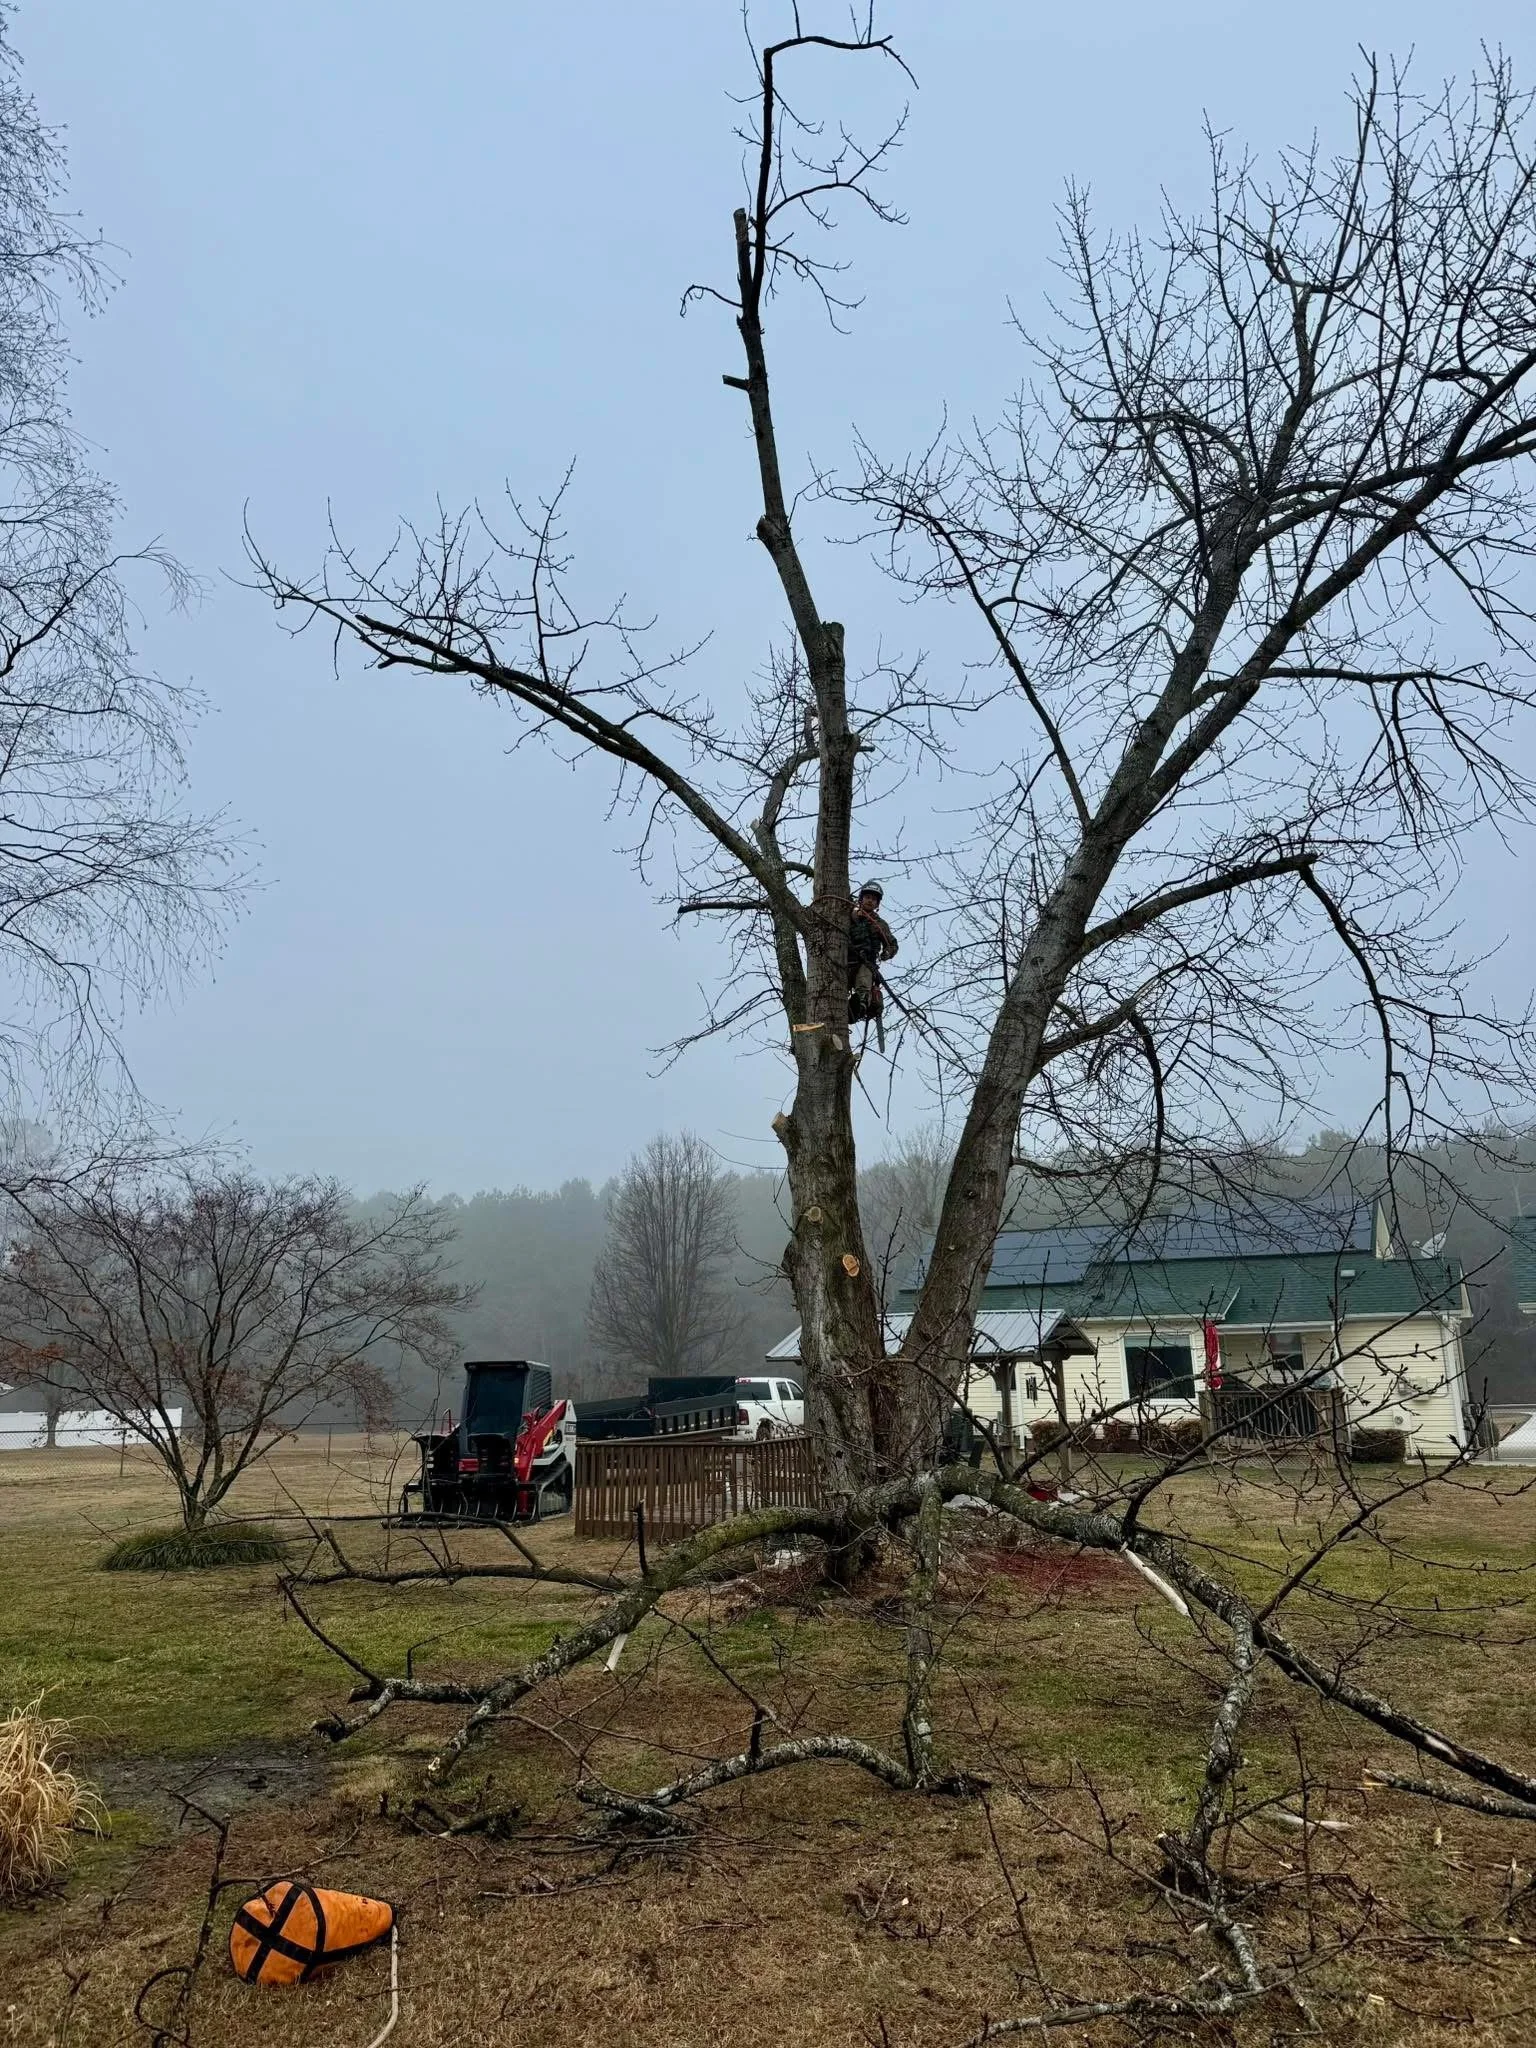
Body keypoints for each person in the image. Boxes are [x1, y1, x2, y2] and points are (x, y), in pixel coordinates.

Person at [848, 882, 897, 1023]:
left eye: (874, 899)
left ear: (877, 904)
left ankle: (859, 1007)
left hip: (866, 962)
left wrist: (887, 953)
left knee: (864, 984)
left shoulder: (879, 924)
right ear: (861, 899)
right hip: (845, 960)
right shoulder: (849, 916)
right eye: (867, 897)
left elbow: (892, 944)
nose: (870, 901)